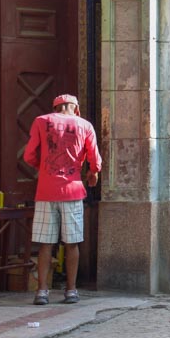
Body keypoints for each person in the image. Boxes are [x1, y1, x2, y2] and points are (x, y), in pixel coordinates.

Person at [23, 94, 101, 305]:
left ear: (55, 107)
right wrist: (92, 174)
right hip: (72, 192)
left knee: (46, 244)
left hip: (46, 192)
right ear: (75, 108)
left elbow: (29, 155)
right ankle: (71, 290)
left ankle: (41, 292)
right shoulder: (85, 125)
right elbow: (95, 159)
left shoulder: (41, 121)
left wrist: (45, 170)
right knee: (72, 243)